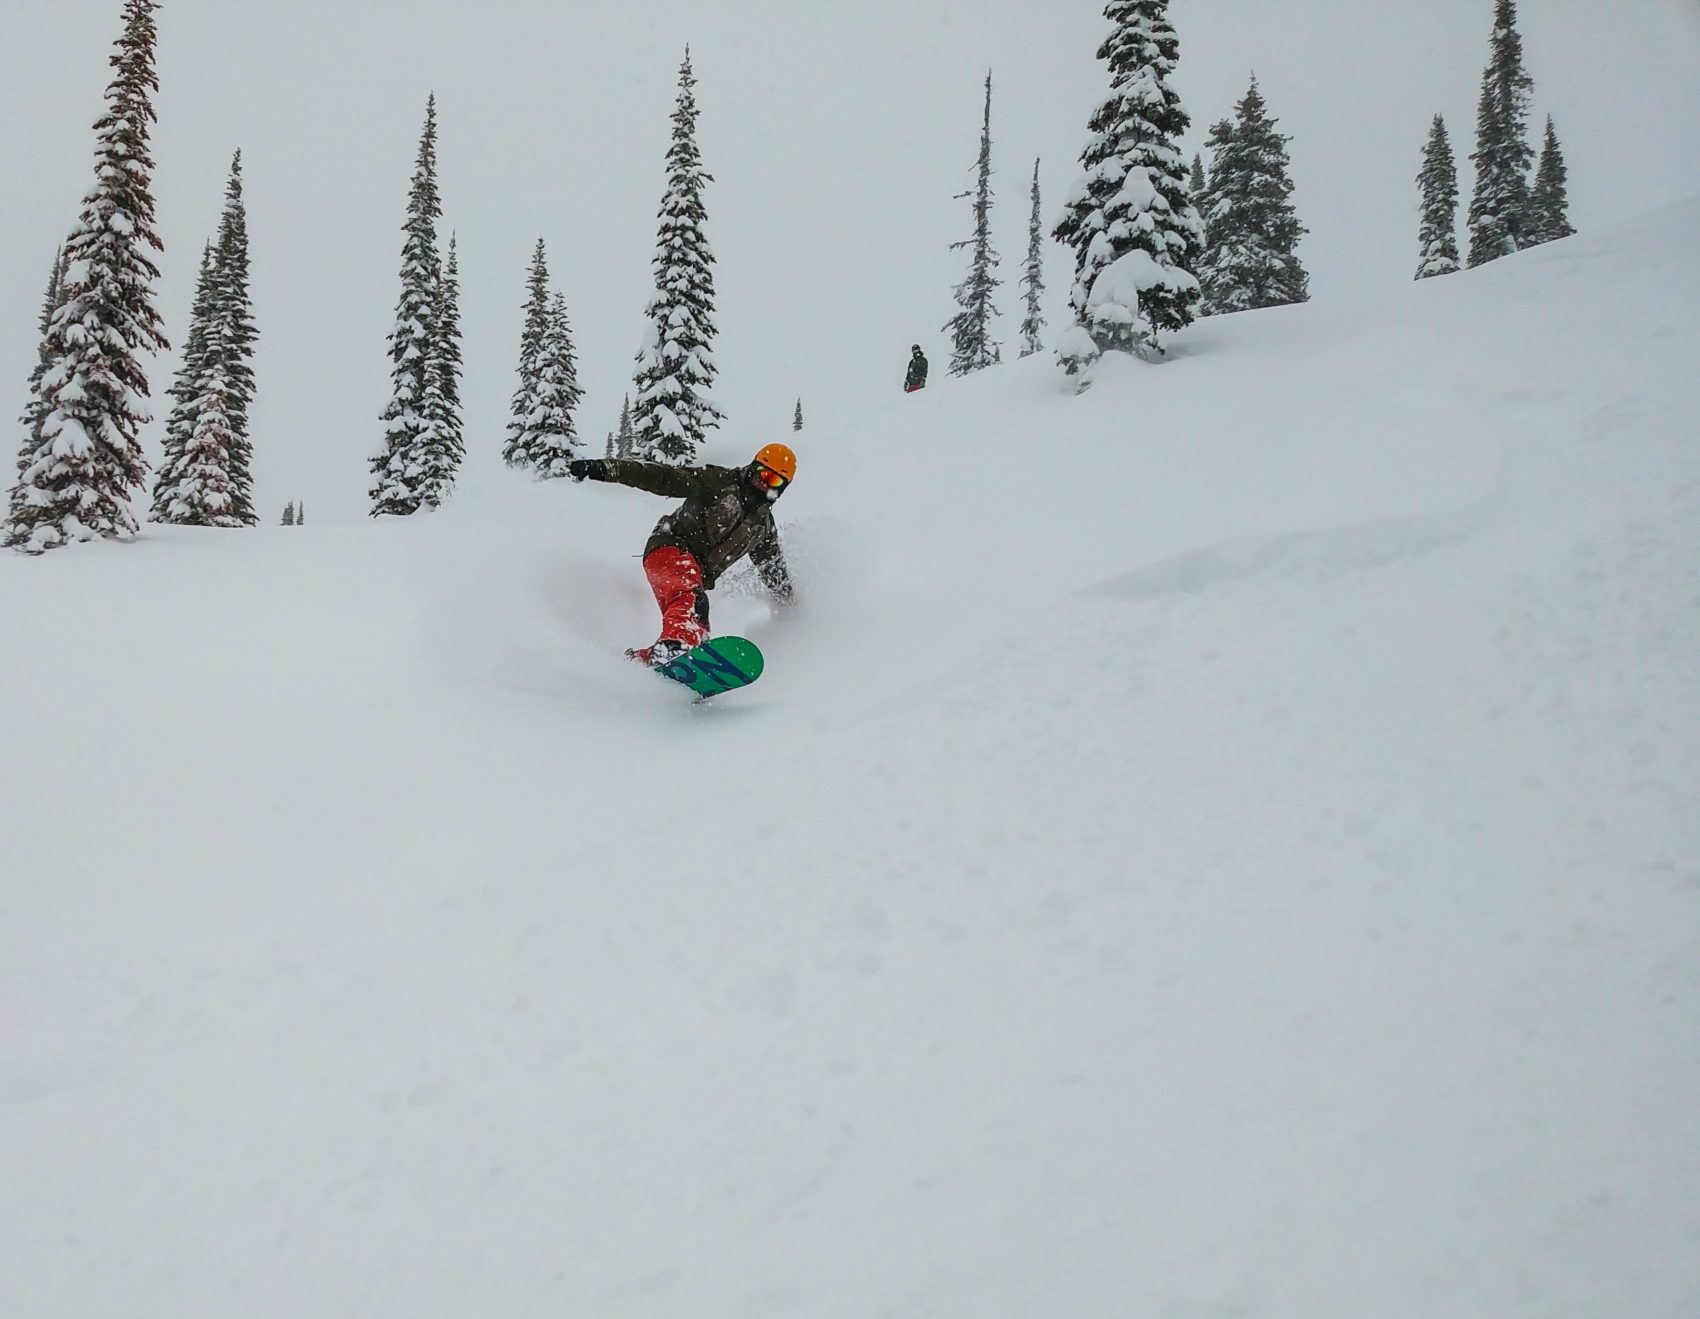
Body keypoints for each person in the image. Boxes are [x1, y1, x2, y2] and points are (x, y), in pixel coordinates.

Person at [566, 444, 796, 665]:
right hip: (669, 548)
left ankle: (646, 662)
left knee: (698, 618)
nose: (763, 483)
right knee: (692, 600)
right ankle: (674, 647)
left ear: (782, 487)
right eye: (761, 473)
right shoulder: (718, 482)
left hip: (694, 576)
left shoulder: (763, 528)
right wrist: (603, 468)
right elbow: (663, 477)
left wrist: (791, 607)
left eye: (773, 480)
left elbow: (772, 568)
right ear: (752, 466)